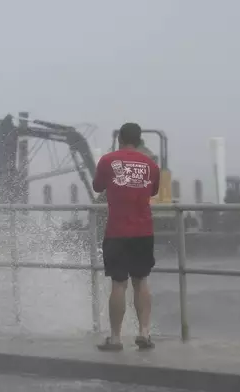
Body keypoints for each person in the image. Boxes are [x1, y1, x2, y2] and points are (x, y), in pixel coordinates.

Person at [92, 122, 160, 351]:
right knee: (141, 281)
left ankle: (115, 338)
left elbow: (97, 186)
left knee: (119, 284)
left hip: (117, 231)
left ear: (119, 138)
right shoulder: (151, 164)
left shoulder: (108, 160)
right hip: (144, 231)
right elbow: (153, 191)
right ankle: (144, 333)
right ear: (140, 140)